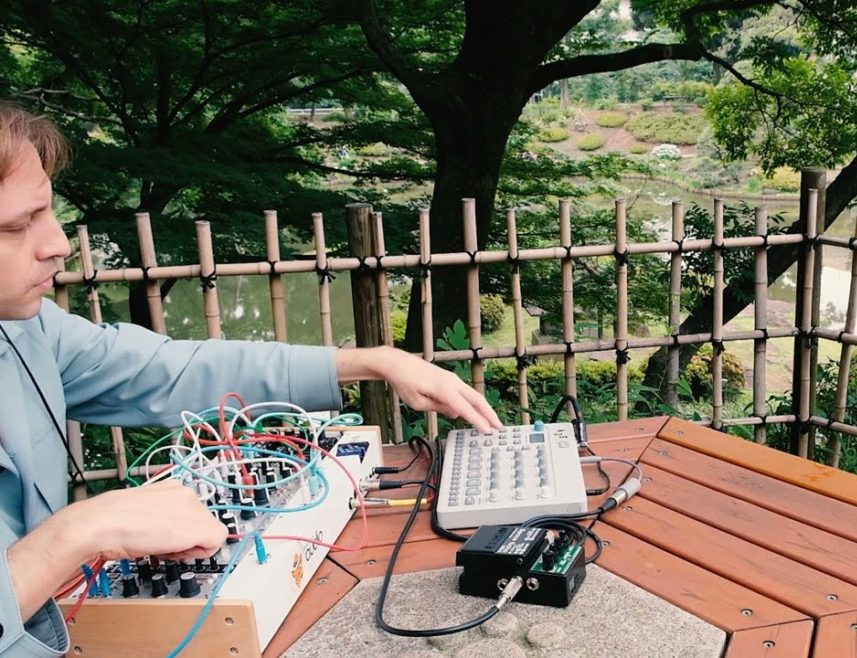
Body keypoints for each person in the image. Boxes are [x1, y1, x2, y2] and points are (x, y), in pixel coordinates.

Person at [0, 101, 502, 657]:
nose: (58, 244)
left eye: (48, 212)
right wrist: (74, 535)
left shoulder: (27, 329)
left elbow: (170, 370)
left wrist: (373, 361)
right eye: (17, 225)